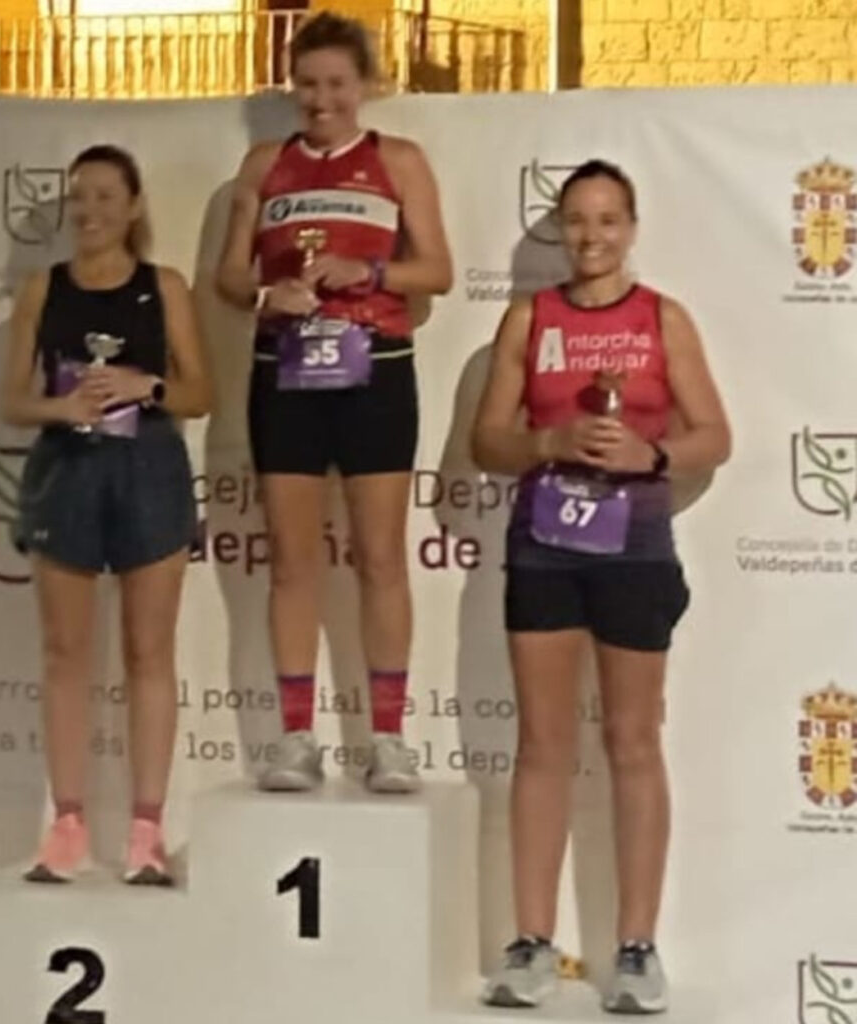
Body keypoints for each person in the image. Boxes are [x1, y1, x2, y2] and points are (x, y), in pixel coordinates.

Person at [472, 160, 730, 1013]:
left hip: (635, 549)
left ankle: (636, 948)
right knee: (543, 744)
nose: (592, 236)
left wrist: (651, 454)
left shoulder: (662, 317)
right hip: (544, 546)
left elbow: (714, 435)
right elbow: (487, 441)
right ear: (560, 228)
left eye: (608, 220)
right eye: (578, 220)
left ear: (631, 228)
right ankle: (532, 944)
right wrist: (549, 443)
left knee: (632, 741)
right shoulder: (528, 317)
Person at [216, 11, 452, 793]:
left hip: (374, 369)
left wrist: (370, 274)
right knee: (292, 562)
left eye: (337, 85)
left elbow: (438, 270)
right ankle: (294, 739)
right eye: (308, 85)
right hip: (286, 372)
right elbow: (228, 277)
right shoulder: (265, 164)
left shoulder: (398, 160)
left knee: (381, 557)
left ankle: (388, 739)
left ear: (366, 86)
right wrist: (268, 291)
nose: (321, 100)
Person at [0, 144, 210, 885]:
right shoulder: (43, 288)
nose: (89, 211)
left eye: (104, 197)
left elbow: (200, 394)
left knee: (149, 652)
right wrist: (63, 407)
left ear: (133, 206)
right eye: (79, 197)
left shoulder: (165, 286)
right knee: (65, 653)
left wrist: (144, 385)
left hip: (149, 468)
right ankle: (67, 825)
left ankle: (146, 832)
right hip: (67, 470)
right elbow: (12, 400)